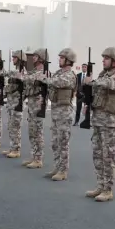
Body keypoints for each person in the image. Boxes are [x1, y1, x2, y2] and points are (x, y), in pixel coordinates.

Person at [84, 47, 115, 202]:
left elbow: (109, 84)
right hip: (98, 120)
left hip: (109, 123)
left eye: (106, 58)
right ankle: (100, 185)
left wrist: (92, 82)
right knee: (97, 155)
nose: (103, 61)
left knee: (108, 157)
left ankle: (108, 190)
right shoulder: (103, 75)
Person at [44, 48, 78, 181]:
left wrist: (46, 79)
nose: (59, 60)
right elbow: (51, 81)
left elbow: (57, 82)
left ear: (69, 61)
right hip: (55, 111)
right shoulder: (59, 73)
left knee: (63, 142)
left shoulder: (70, 75)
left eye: (62, 58)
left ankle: (63, 170)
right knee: (55, 142)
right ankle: (57, 167)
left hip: (64, 113)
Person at [21, 49, 48, 169]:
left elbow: (28, 79)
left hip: (38, 105)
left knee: (37, 132)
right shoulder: (34, 72)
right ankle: (33, 156)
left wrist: (24, 76)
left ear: (41, 58)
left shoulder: (43, 72)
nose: (33, 58)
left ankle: (38, 159)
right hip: (31, 104)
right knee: (32, 131)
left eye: (36, 56)